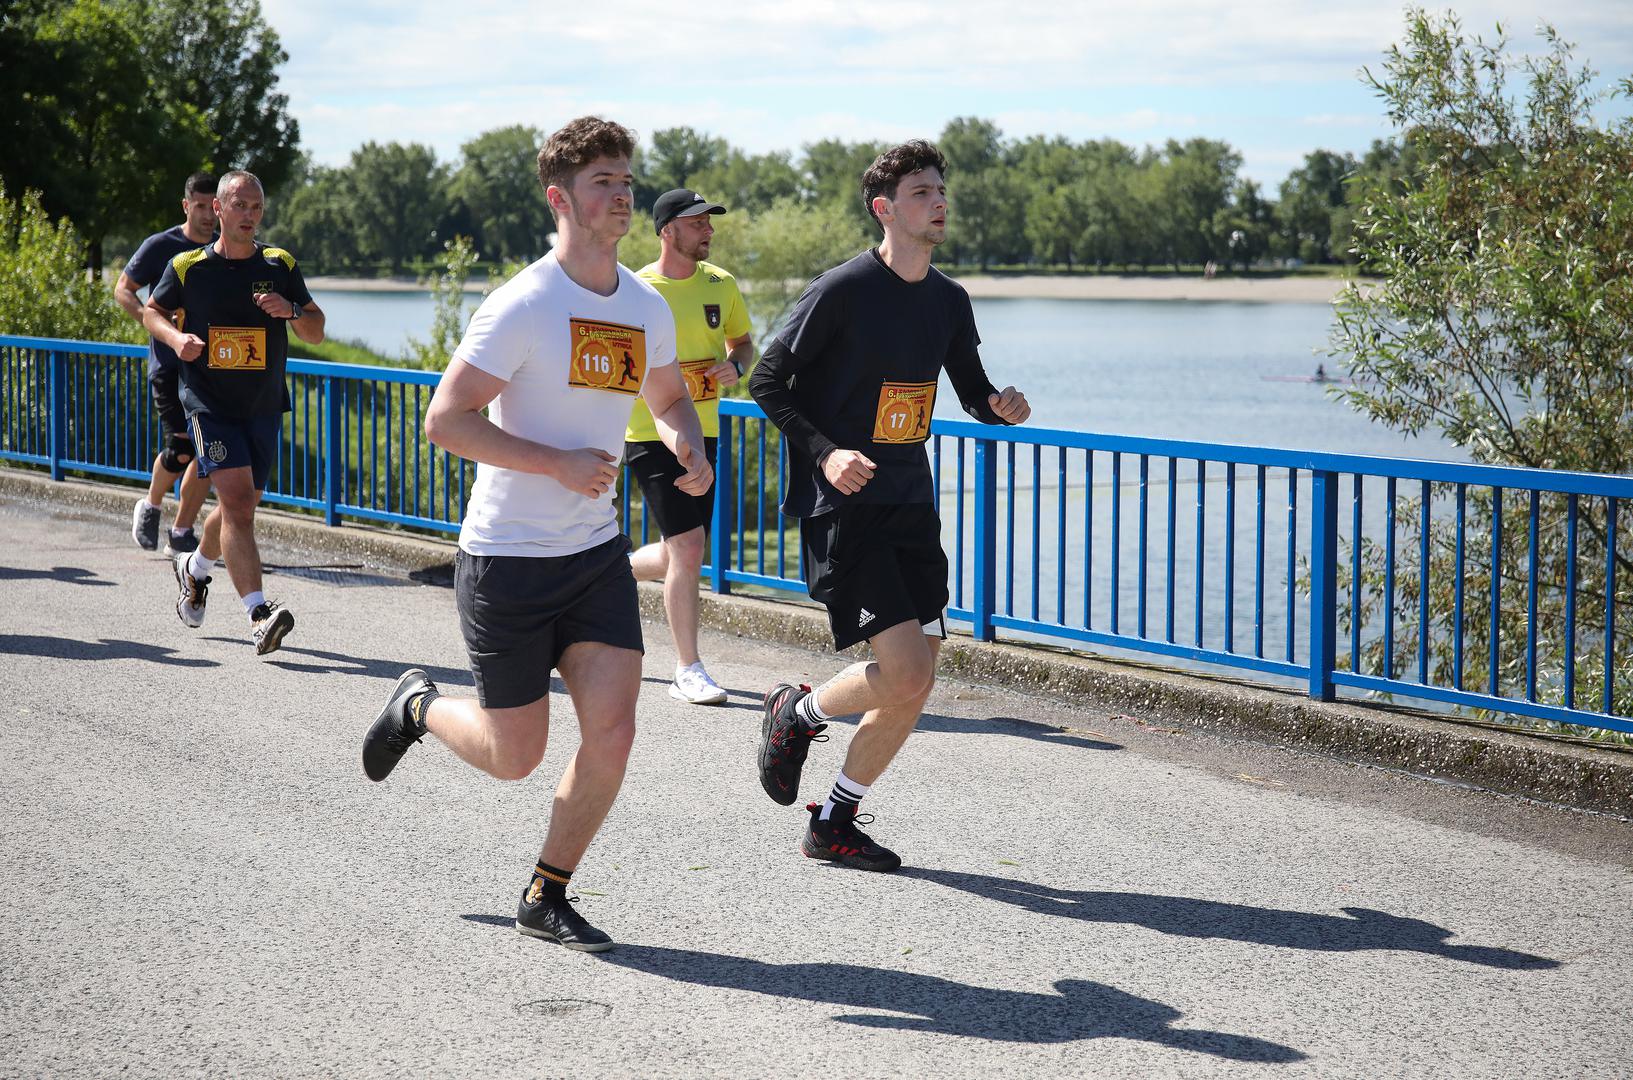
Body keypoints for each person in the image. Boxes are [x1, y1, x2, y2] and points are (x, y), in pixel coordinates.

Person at [360, 118, 710, 953]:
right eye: (602, 182)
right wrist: (553, 463)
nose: (621, 194)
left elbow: (665, 397)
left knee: (614, 732)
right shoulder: (522, 304)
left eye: (626, 180)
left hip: (591, 558)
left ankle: (545, 892)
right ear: (560, 198)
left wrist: (685, 441)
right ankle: (417, 706)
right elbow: (445, 422)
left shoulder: (642, 304)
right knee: (515, 755)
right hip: (507, 561)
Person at [748, 140, 1030, 872]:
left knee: (918, 680)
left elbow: (970, 388)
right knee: (904, 672)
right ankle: (796, 713)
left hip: (912, 503)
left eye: (940, 190)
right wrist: (826, 452)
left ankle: (834, 820)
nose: (938, 202)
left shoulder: (947, 299)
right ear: (884, 209)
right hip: (847, 506)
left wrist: (1001, 407)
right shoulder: (842, 290)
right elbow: (767, 381)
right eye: (920, 193)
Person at [142, 170, 326, 655]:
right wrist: (177, 338)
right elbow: (150, 312)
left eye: (257, 207)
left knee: (235, 507)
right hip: (208, 403)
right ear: (217, 210)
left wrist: (289, 310)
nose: (250, 215)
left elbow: (316, 330)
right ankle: (259, 614)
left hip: (262, 406)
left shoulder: (279, 262)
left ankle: (195, 570)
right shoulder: (187, 267)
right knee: (240, 504)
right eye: (240, 206)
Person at [626, 188, 754, 705]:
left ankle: (606, 570)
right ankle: (687, 668)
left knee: (687, 544)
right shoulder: (635, 289)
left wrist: (737, 365)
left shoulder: (721, 285)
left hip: (707, 430)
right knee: (690, 546)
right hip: (647, 432)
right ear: (667, 231)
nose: (709, 230)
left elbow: (742, 343)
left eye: (709, 221)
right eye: (697, 221)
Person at [115, 172, 218, 556]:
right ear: (186, 205)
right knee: (181, 449)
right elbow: (122, 289)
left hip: (211, 367)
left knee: (210, 453)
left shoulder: (225, 249)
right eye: (201, 206)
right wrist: (156, 323)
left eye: (214, 207)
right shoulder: (162, 246)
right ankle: (152, 504)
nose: (209, 215)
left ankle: (181, 533)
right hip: (168, 364)